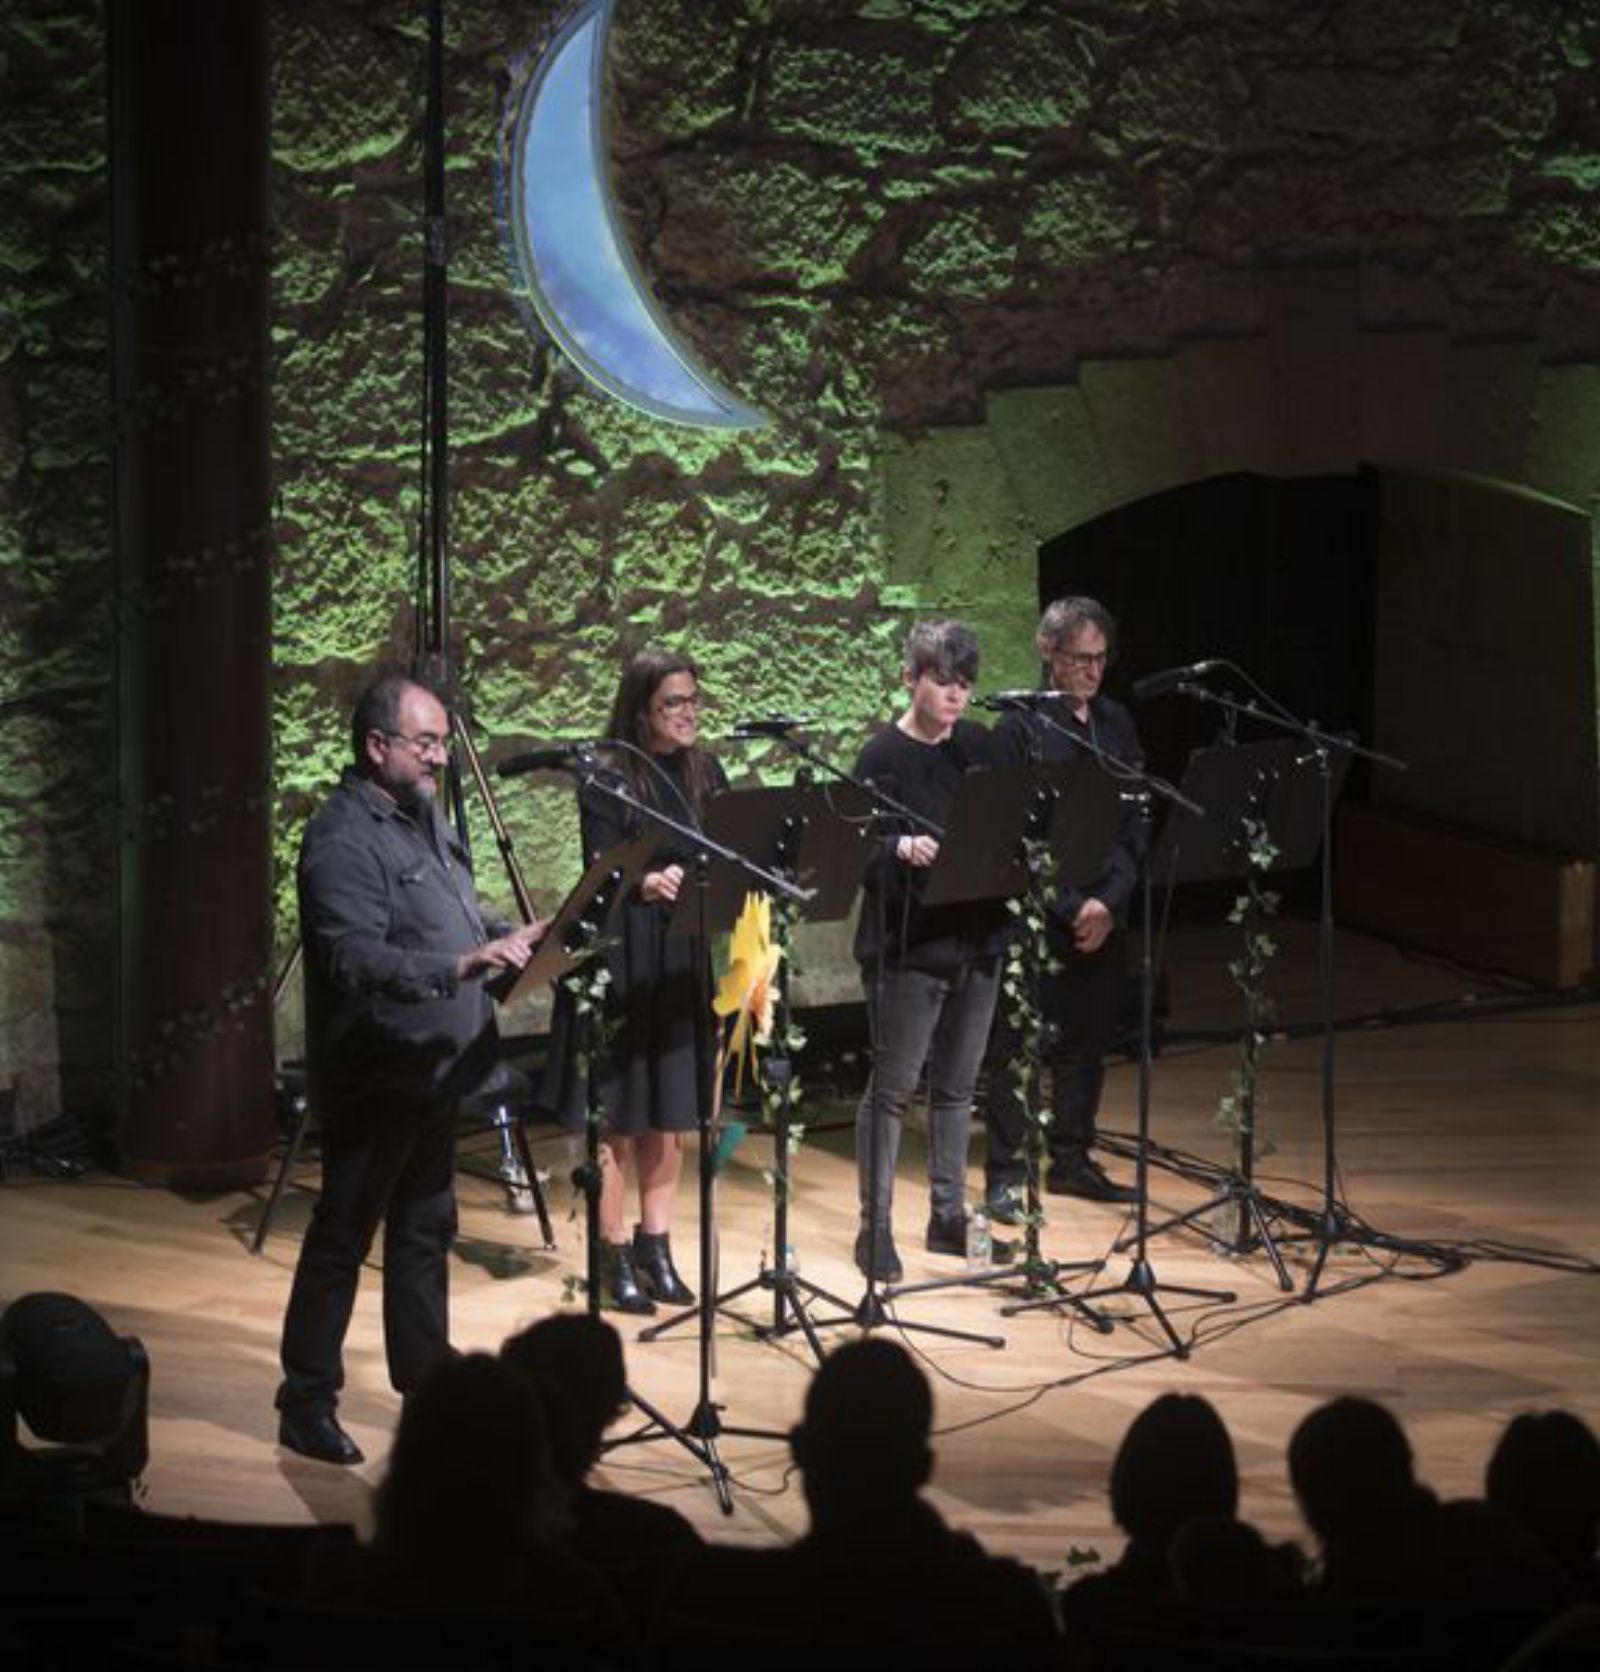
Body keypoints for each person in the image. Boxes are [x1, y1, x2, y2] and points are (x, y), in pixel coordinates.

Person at [275, 673, 544, 1466]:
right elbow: (352, 956)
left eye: (441, 743)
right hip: (378, 1071)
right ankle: (304, 1400)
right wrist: (462, 964)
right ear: (376, 746)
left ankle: (424, 1380)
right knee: (343, 1233)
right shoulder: (339, 839)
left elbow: (453, 911)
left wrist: (508, 935)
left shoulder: (425, 817)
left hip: (439, 1065)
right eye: (425, 743)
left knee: (426, 1228)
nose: (438, 758)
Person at [541, 648, 726, 1314]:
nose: (687, 712)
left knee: (671, 1115)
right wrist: (646, 880)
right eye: (672, 702)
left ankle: (658, 1248)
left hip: (680, 956)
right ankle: (611, 1254)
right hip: (623, 953)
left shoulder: (707, 771)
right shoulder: (606, 776)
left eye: (692, 699)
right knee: (619, 1118)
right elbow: (604, 868)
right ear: (641, 709)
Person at [850, 620, 1007, 1282]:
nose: (956, 698)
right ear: (911, 678)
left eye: (966, 686)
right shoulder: (880, 758)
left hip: (976, 938)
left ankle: (947, 1217)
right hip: (909, 947)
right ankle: (874, 1227)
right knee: (892, 1091)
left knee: (958, 1089)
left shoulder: (976, 748)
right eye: (944, 683)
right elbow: (854, 850)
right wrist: (897, 848)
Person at [983, 596, 1142, 1213]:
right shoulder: (1018, 729)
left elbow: (1133, 823)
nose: (1093, 671)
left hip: (1106, 908)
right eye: (1081, 658)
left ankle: (1071, 1158)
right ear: (1048, 653)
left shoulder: (1116, 723)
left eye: (1101, 659)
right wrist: (1073, 905)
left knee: (1090, 1036)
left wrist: (1110, 899)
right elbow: (1019, 837)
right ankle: (1006, 1172)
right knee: (1019, 1043)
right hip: (1042, 915)